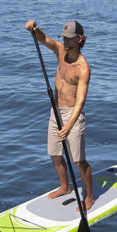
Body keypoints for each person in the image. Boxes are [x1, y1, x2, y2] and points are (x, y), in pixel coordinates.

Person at [25, 19, 94, 211]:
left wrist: (70, 125)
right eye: (64, 37)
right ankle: (65, 187)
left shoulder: (83, 68)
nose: (65, 41)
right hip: (55, 111)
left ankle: (88, 197)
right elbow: (43, 39)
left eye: (69, 39)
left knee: (78, 160)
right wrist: (34, 28)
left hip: (73, 114)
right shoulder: (60, 51)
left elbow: (80, 101)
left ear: (80, 39)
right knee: (55, 154)